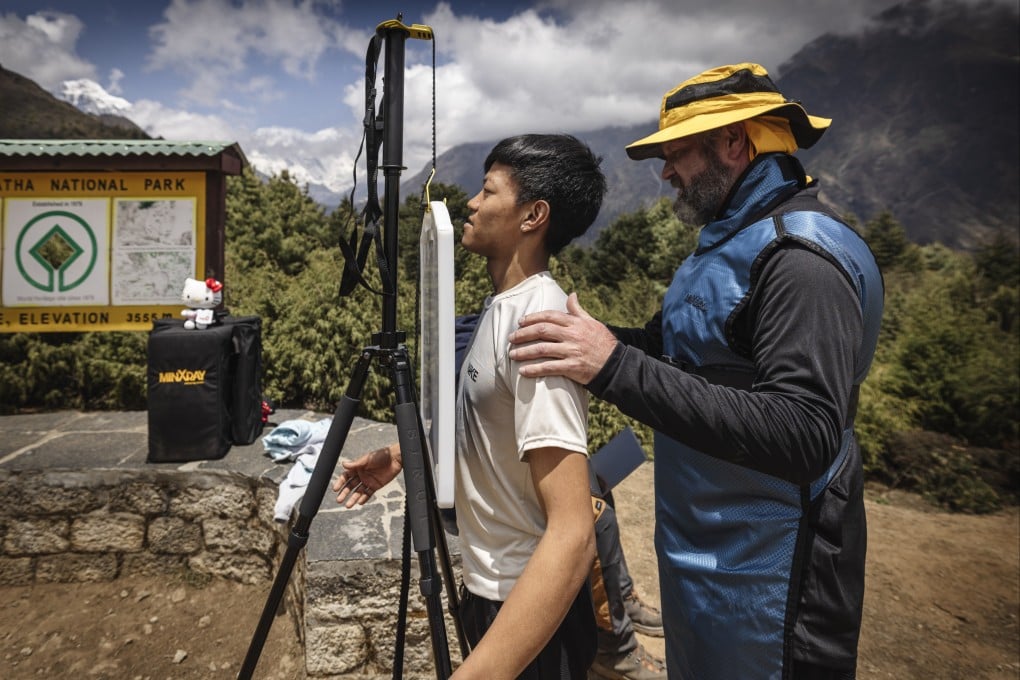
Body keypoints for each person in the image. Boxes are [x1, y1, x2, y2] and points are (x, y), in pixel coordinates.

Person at [506, 63, 885, 680]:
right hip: (708, 563)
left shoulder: (800, 260)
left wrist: (610, 363)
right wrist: (580, 342)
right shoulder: (724, 246)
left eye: (676, 154)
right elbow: (668, 354)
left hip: (775, 580)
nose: (665, 173)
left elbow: (806, 431)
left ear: (734, 143)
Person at [335, 133, 608, 679]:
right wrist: (401, 454)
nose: (472, 203)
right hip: (491, 589)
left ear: (533, 215)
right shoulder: (498, 310)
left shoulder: (539, 328)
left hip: (529, 608)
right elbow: (494, 426)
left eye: (488, 191)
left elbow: (573, 531)